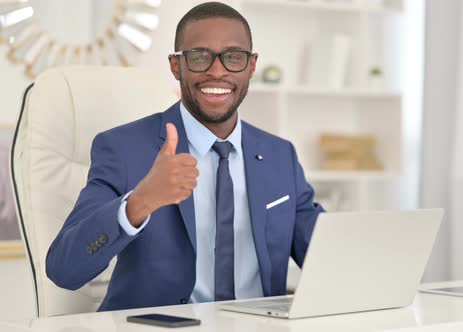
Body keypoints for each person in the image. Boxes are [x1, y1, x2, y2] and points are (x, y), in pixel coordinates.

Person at [46, 2, 324, 312]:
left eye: (233, 57)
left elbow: (326, 256)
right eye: (199, 57)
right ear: (176, 65)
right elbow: (63, 269)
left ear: (251, 66)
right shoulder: (124, 148)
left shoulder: (279, 155)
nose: (217, 71)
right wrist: (140, 201)